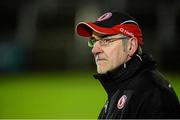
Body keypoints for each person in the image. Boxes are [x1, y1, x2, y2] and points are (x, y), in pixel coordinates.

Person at [75, 11, 180, 119]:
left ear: (131, 46)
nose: (94, 50)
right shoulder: (123, 86)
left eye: (106, 40)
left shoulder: (151, 93)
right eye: (93, 41)